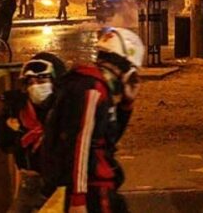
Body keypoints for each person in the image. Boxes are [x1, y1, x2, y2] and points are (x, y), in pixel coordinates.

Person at [41, 27, 145, 213]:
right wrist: (78, 199)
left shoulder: (97, 86)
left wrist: (126, 105)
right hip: (93, 190)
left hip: (97, 187)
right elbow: (80, 145)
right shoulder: (92, 89)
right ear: (126, 67)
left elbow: (107, 140)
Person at [0, 53, 67, 213]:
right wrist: (5, 119)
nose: (35, 86)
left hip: (59, 189)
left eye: (41, 80)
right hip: (29, 187)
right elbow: (4, 143)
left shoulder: (65, 111)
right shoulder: (21, 110)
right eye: (30, 82)